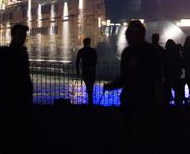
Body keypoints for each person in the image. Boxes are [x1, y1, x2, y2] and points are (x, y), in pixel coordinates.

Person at [103, 20, 162, 149]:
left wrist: (111, 86)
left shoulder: (129, 53)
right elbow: (157, 75)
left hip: (136, 99)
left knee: (133, 134)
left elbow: (126, 77)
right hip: (144, 98)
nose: (127, 36)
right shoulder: (150, 51)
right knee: (144, 135)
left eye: (129, 34)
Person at [0, 24, 33, 119]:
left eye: (24, 34)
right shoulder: (6, 52)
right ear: (14, 35)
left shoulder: (22, 52)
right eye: (20, 34)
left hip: (17, 96)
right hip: (11, 96)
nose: (23, 37)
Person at [75, 37, 98, 105]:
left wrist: (78, 71)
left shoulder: (81, 51)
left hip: (85, 70)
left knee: (88, 85)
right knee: (91, 85)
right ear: (89, 43)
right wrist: (93, 66)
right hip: (92, 70)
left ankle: (89, 101)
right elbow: (96, 60)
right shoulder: (93, 50)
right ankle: (91, 101)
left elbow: (77, 61)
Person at [163, 39, 184, 105]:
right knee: (177, 88)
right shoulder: (176, 52)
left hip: (168, 73)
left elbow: (163, 63)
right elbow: (181, 62)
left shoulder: (165, 52)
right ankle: (178, 101)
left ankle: (167, 100)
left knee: (167, 87)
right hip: (176, 72)